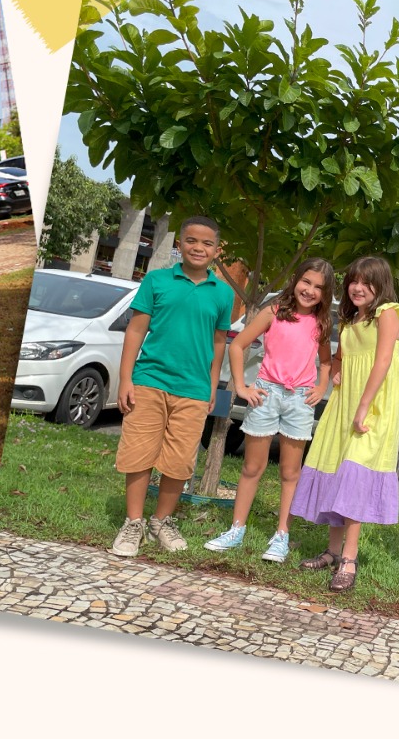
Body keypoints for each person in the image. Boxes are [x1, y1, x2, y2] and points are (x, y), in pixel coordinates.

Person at [108, 216, 234, 557]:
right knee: (139, 453)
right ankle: (133, 523)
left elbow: (220, 340)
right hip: (150, 380)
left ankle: (161, 521)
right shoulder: (157, 280)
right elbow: (135, 330)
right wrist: (126, 379)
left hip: (193, 389)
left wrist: (212, 384)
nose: (198, 248)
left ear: (217, 251)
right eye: (192, 240)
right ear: (179, 243)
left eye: (207, 244)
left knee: (179, 461)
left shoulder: (223, 293)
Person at [290, 256, 399, 591]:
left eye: (366, 282)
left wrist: (364, 406)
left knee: (354, 477)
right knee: (336, 473)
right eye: (353, 281)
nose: (358, 288)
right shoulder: (351, 319)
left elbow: (383, 360)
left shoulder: (387, 314)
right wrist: (339, 367)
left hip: (372, 408)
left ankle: (350, 559)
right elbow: (341, 354)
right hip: (345, 404)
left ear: (380, 286)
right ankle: (331, 550)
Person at [206, 259, 336, 562]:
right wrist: (241, 386)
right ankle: (236, 529)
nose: (310, 290)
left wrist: (320, 387)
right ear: (296, 280)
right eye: (306, 282)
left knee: (291, 472)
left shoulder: (322, 323)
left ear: (325, 292)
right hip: (265, 394)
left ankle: (281, 536)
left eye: (318, 287)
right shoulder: (273, 311)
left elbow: (327, 362)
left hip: (299, 401)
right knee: (252, 467)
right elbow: (238, 346)